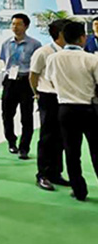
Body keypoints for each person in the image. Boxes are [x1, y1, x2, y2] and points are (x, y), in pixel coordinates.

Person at [45, 20, 98, 201]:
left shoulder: (53, 58)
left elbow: (51, 80)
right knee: (96, 150)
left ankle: (79, 190)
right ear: (83, 38)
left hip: (65, 108)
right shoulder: (91, 59)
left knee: (71, 152)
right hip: (89, 108)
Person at [29, 19, 71, 191]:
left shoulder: (71, 52)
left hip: (65, 97)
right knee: (47, 137)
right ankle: (43, 174)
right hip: (48, 96)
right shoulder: (43, 52)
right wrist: (37, 94)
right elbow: (33, 75)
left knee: (61, 137)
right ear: (60, 33)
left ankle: (56, 172)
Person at [0, 13, 42, 159]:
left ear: (26, 26)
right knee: (7, 114)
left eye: (18, 24)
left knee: (26, 116)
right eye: (13, 24)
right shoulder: (6, 43)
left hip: (26, 81)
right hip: (10, 81)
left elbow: (37, 66)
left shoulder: (35, 44)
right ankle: (11, 142)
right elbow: (4, 60)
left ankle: (24, 148)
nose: (15, 27)